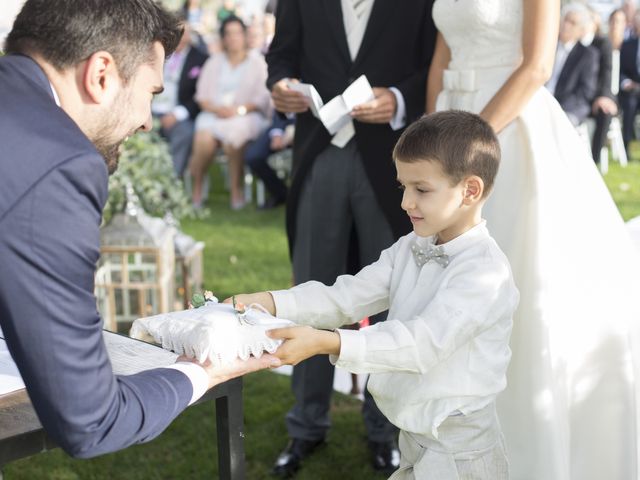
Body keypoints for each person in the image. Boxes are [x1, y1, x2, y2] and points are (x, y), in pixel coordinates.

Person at [0, 0, 279, 459]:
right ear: (102, 75)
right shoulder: (58, 162)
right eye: (151, 91)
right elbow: (91, 421)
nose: (149, 120)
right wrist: (199, 374)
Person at [231, 111, 519, 480]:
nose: (405, 203)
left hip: (459, 453)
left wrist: (327, 343)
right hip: (415, 437)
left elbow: (419, 344)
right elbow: (346, 296)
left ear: (470, 190)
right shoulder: (410, 246)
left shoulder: (484, 272)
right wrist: (270, 302)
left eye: (421, 189)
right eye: (403, 188)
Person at [427, 0, 640, 479]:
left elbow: (537, 65)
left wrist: (467, 144)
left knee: (514, 288)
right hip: (449, 122)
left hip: (507, 131)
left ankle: (522, 447)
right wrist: (429, 143)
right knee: (446, 291)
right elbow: (441, 57)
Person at [265, 0, 437, 475]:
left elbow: (435, 62)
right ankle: (305, 425)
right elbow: (281, 55)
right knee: (311, 291)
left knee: (392, 298)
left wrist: (400, 100)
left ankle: (385, 431)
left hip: (393, 160)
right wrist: (280, 85)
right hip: (320, 151)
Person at [189, 15, 271, 210]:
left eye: (237, 33)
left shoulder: (258, 62)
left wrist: (238, 110)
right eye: (228, 34)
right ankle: (198, 186)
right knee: (204, 138)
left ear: (244, 35)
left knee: (234, 135)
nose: (233, 38)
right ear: (223, 37)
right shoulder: (214, 62)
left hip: (246, 115)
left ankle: (236, 189)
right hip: (215, 113)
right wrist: (218, 109)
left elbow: (262, 98)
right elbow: (201, 96)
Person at [152, 18, 208, 177]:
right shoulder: (156, 53)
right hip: (151, 111)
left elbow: (200, 95)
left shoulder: (200, 58)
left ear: (190, 35)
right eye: (176, 33)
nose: (180, 37)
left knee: (185, 133)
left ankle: (171, 183)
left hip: (180, 113)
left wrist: (176, 114)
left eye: (184, 33)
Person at [546, 4, 598, 127]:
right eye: (566, 20)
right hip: (540, 99)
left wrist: (557, 108)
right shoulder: (547, 46)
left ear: (581, 31)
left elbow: (585, 92)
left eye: (573, 23)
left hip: (568, 107)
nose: (566, 25)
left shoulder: (588, 55)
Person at [584, 6, 618, 164]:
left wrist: (603, 96)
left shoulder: (603, 43)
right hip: (580, 95)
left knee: (605, 113)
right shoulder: (576, 43)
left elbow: (607, 71)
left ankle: (594, 160)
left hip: (600, 93)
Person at [244, 114, 293, 209]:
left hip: (309, 125)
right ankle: (281, 193)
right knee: (253, 156)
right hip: (281, 124)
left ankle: (300, 196)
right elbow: (279, 110)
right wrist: (277, 133)